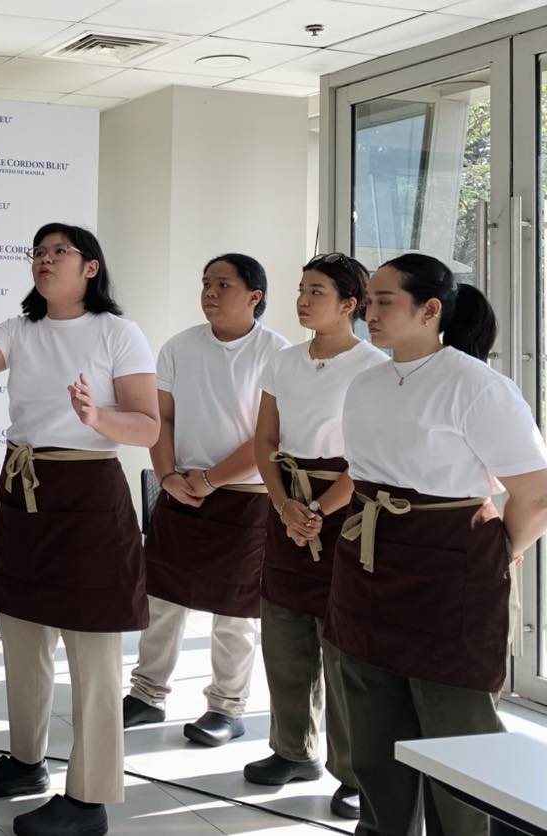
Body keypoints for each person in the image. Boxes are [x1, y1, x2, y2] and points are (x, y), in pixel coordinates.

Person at [0, 226, 160, 836]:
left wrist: (98, 416)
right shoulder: (20, 329)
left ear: (91, 267)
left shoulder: (118, 332)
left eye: (58, 252)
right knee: (22, 634)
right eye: (38, 253)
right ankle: (25, 762)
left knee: (92, 652)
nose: (44, 260)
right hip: (24, 487)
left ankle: (90, 799)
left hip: (89, 492)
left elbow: (147, 428)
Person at [327, 254, 547, 836]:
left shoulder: (477, 386)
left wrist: (499, 553)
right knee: (372, 717)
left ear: (430, 310)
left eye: (384, 301)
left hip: (452, 564)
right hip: (369, 557)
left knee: (457, 724)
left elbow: (535, 495)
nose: (369, 313)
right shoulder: (365, 382)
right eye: (368, 302)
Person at [125, 253, 289, 745]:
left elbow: (269, 437)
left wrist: (213, 478)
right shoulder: (180, 346)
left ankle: (226, 707)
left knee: (235, 613)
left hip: (246, 495)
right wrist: (167, 476)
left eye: (223, 284)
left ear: (254, 296)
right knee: (161, 599)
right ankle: (147, 694)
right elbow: (162, 418)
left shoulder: (276, 354)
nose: (209, 292)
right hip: (181, 489)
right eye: (205, 283)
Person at [244, 254, 382, 819]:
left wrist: (319, 511)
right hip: (286, 503)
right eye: (301, 289)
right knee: (282, 631)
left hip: (345, 510)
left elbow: (369, 456)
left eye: (316, 291)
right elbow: (264, 440)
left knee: (342, 645)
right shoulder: (283, 360)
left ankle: (354, 773)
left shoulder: (373, 366)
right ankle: (291, 749)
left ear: (349, 304)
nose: (302, 300)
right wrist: (284, 506)